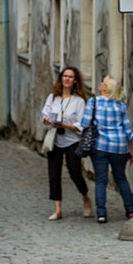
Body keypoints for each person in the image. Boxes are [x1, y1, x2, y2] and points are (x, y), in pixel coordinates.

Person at [81, 75, 133, 222]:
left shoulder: (93, 102)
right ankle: (130, 210)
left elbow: (85, 123)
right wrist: (130, 149)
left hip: (100, 145)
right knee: (121, 178)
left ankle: (101, 213)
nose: (100, 83)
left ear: (105, 87)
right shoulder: (121, 105)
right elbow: (127, 130)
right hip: (119, 146)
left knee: (101, 180)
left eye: (102, 82)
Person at [41, 65, 91, 220]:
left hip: (72, 140)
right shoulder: (53, 98)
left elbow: (81, 125)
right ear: (61, 79)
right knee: (54, 174)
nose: (67, 79)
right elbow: (45, 113)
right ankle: (57, 209)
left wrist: (64, 125)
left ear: (75, 81)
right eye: (65, 76)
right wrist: (48, 119)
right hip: (55, 139)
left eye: (70, 77)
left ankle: (85, 196)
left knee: (75, 172)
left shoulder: (79, 102)